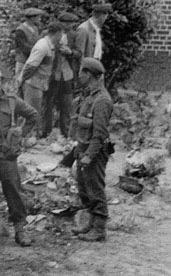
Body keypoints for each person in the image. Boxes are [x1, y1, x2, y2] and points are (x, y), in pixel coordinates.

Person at [0, 69, 39, 246]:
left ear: (1, 83)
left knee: (13, 189)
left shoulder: (12, 102)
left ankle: (20, 229)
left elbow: (33, 116)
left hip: (7, 153)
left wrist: (21, 134)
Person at [71, 58, 114, 242]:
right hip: (83, 148)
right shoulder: (89, 96)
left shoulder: (102, 100)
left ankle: (99, 228)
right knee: (84, 188)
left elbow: (100, 134)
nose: (79, 75)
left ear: (89, 74)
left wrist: (89, 155)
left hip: (94, 152)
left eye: (82, 72)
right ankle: (90, 222)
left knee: (95, 189)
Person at [16, 22, 62, 139]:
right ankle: (27, 139)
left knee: (35, 112)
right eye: (61, 34)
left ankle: (31, 138)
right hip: (33, 84)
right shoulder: (42, 46)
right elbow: (31, 66)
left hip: (39, 84)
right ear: (57, 34)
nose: (61, 37)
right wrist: (22, 80)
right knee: (31, 113)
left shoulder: (49, 45)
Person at [13, 8, 44, 82]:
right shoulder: (20, 30)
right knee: (20, 81)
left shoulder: (35, 28)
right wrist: (38, 52)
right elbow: (24, 47)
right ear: (32, 18)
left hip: (33, 60)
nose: (40, 19)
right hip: (23, 61)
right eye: (38, 17)